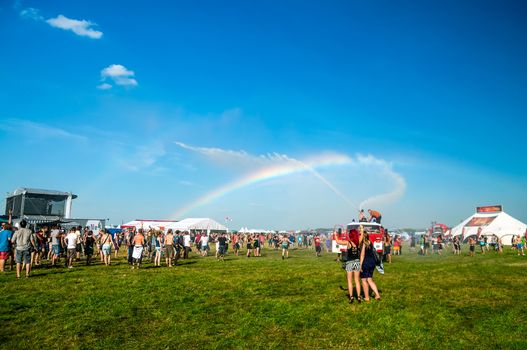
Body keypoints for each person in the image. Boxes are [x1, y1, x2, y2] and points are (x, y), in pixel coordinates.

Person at [335, 229, 362, 303]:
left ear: (350, 235)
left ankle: (351, 297)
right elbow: (362, 236)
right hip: (357, 262)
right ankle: (359, 297)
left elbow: (338, 241)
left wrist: (335, 234)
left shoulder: (348, 243)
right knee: (357, 281)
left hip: (349, 262)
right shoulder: (358, 242)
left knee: (349, 281)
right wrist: (362, 229)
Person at [359, 232, 381, 301]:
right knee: (370, 279)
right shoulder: (370, 242)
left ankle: (367, 297)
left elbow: (362, 255)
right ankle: (377, 295)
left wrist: (360, 265)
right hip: (372, 263)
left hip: (365, 263)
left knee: (363, 280)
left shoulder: (363, 244)